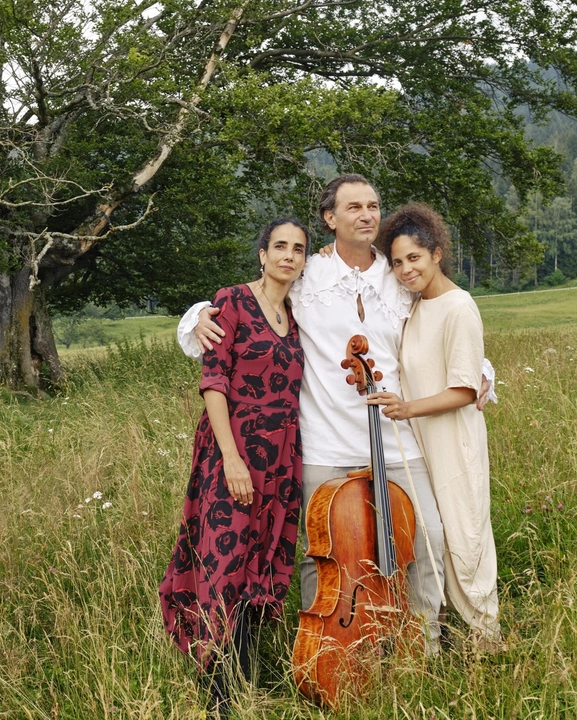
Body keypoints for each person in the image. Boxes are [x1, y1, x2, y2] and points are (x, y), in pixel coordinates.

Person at [179, 174, 496, 653]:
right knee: (322, 555)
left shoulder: (400, 277)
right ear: (330, 218)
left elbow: (441, 325)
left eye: (373, 206)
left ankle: (421, 647)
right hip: (326, 444)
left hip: (397, 441)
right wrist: (200, 313)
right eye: (354, 207)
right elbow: (255, 295)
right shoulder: (308, 275)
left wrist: (482, 370)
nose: (367, 214)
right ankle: (325, 650)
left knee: (427, 540)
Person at [159, 218, 309, 716]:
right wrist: (230, 458)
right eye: (280, 247)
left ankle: (242, 679)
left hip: (281, 460)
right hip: (235, 451)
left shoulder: (293, 312)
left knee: (257, 566)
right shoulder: (231, 301)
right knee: (224, 566)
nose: (289, 255)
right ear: (262, 255)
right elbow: (213, 380)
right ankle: (218, 696)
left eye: (299, 249)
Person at [365, 202, 501, 646]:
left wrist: (407, 408)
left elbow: (464, 389)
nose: (406, 270)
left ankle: (487, 639)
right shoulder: (414, 307)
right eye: (398, 261)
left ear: (437, 253)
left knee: (465, 539)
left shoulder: (459, 306)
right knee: (433, 542)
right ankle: (436, 636)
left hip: (453, 441)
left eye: (415, 258)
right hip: (423, 443)